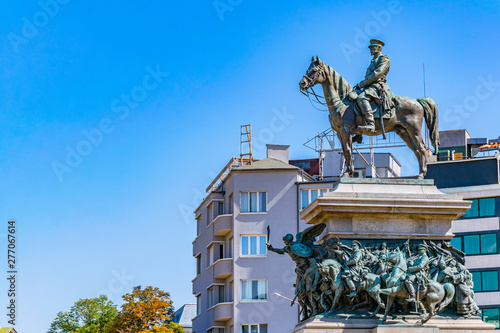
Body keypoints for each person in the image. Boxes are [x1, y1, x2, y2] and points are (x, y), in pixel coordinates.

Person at [354, 39, 395, 132]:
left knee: (361, 98)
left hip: (377, 86)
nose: (371, 49)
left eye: (373, 47)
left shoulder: (384, 59)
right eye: (370, 47)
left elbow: (376, 74)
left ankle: (370, 124)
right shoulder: (373, 60)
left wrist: (362, 83)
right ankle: (358, 131)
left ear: (379, 48)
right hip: (370, 86)